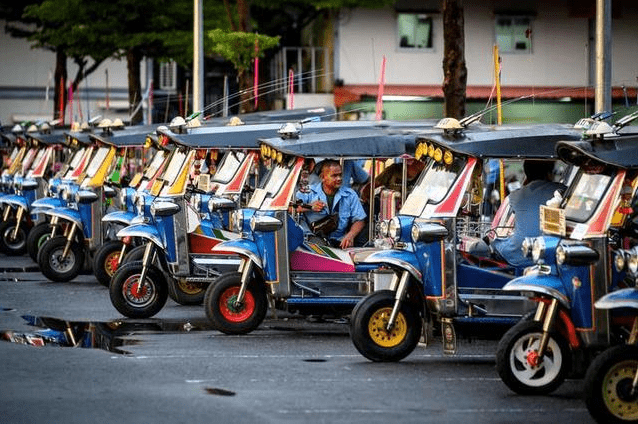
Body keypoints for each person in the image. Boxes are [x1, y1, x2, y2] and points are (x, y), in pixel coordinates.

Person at [490, 160, 565, 267]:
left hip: (519, 254)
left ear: (526, 173)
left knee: (496, 242)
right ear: (550, 173)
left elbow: (494, 230)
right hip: (554, 253)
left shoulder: (514, 196)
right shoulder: (563, 191)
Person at [296, 159, 367, 249]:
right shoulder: (307, 192)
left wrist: (350, 235)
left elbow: (359, 220)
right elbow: (291, 208)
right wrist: (310, 206)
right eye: (334, 176)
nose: (339, 179)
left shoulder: (350, 194)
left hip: (339, 242)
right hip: (312, 242)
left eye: (340, 175)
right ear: (323, 177)